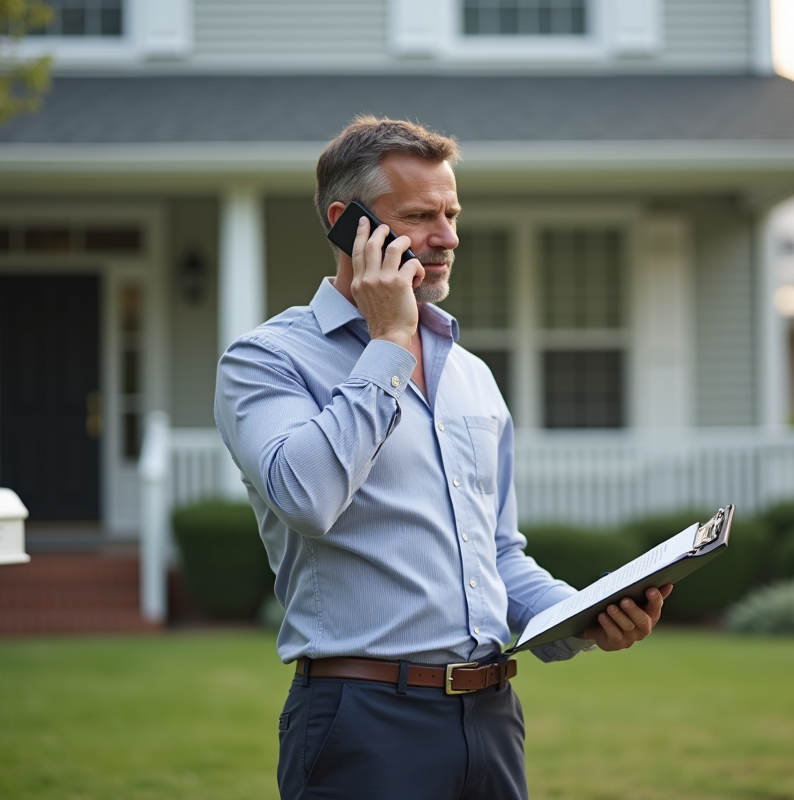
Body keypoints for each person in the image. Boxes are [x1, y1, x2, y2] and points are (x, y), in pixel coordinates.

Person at [214, 115, 672, 800]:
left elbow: (497, 555)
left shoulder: (471, 375)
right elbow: (305, 499)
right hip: (362, 722)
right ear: (349, 224)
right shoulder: (267, 361)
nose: (449, 237)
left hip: (491, 720)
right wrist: (391, 338)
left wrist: (585, 618)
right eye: (422, 215)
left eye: (452, 213)